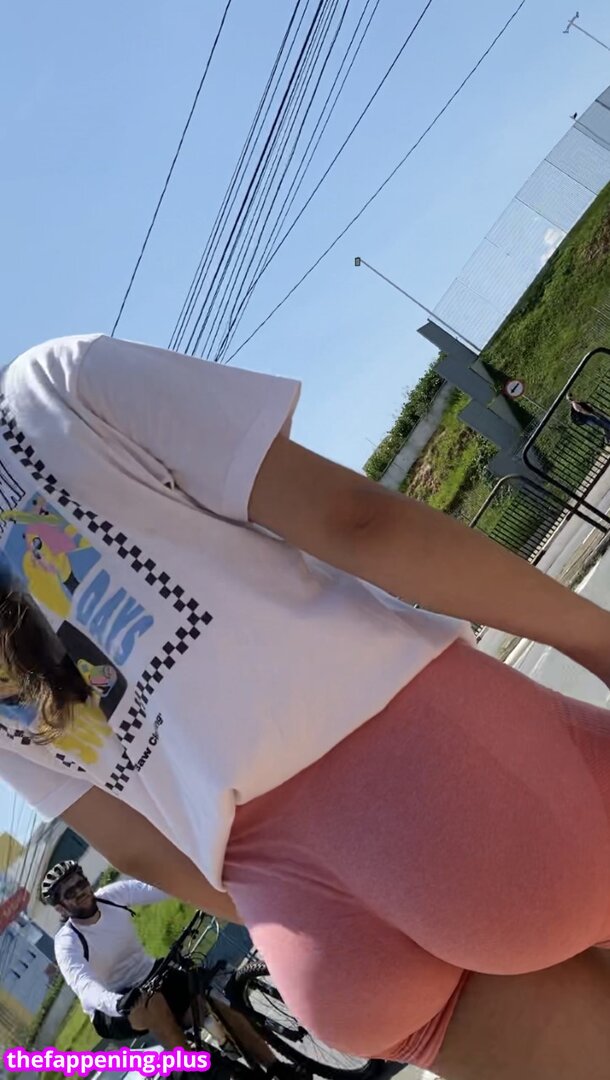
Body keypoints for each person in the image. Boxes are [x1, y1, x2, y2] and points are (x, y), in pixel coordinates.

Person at [2, 335, 610, 1079]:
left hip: (316, 938)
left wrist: (312, 904)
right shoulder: (48, 389)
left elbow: (137, 848)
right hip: (459, 782)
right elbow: (357, 522)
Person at [44, 860, 192, 1047]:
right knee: (152, 1003)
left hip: (148, 974)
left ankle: (224, 1046)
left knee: (200, 994)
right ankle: (189, 1063)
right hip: (111, 1006)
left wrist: (197, 887)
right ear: (60, 908)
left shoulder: (111, 896)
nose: (80, 891)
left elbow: (156, 890)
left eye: (81, 883)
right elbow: (85, 986)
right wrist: (116, 1003)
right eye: (70, 893)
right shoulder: (67, 942)